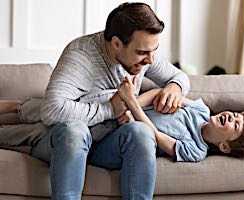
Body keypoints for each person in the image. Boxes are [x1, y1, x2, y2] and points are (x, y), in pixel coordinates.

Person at [28, 2, 190, 200]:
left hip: (104, 145)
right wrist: (110, 108)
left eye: (154, 50)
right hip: (65, 143)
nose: (150, 60)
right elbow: (52, 110)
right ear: (116, 43)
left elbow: (179, 77)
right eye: (142, 53)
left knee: (141, 131)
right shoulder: (81, 55)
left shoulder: (144, 54)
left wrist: (175, 86)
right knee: (75, 131)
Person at [117, 76, 244, 171]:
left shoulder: (196, 151)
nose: (231, 117)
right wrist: (130, 107)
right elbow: (160, 93)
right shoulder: (202, 110)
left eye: (235, 125)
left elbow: (155, 136)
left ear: (224, 146)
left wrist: (131, 105)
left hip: (129, 135)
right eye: (235, 115)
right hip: (126, 112)